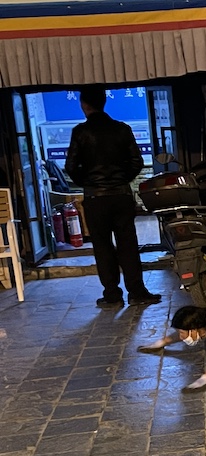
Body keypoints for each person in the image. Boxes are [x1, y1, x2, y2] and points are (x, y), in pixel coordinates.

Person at [65, 86, 161, 309]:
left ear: (84, 105)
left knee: (102, 245)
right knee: (128, 243)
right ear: (103, 103)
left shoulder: (80, 132)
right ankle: (137, 291)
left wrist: (88, 183)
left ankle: (112, 294)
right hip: (121, 195)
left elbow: (70, 166)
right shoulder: (122, 129)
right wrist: (120, 180)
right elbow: (137, 162)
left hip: (95, 199)